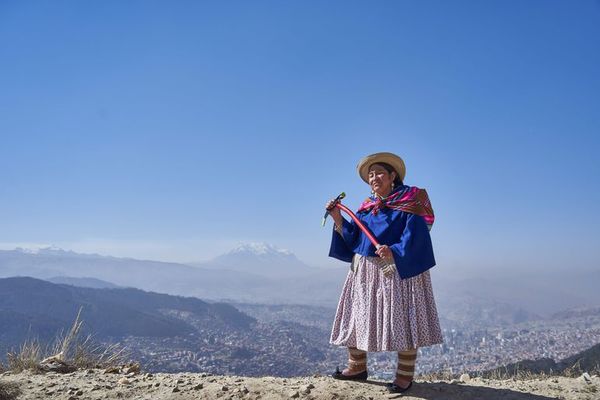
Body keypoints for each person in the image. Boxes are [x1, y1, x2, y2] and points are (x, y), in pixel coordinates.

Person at [325, 152, 443, 394]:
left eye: (379, 172)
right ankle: (357, 367)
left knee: (403, 319)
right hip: (364, 274)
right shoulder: (367, 209)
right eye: (370, 174)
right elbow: (355, 239)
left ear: (392, 176)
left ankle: (403, 377)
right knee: (356, 317)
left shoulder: (410, 204)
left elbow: (416, 237)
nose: (373, 177)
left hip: (397, 272)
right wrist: (338, 219)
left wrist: (394, 250)